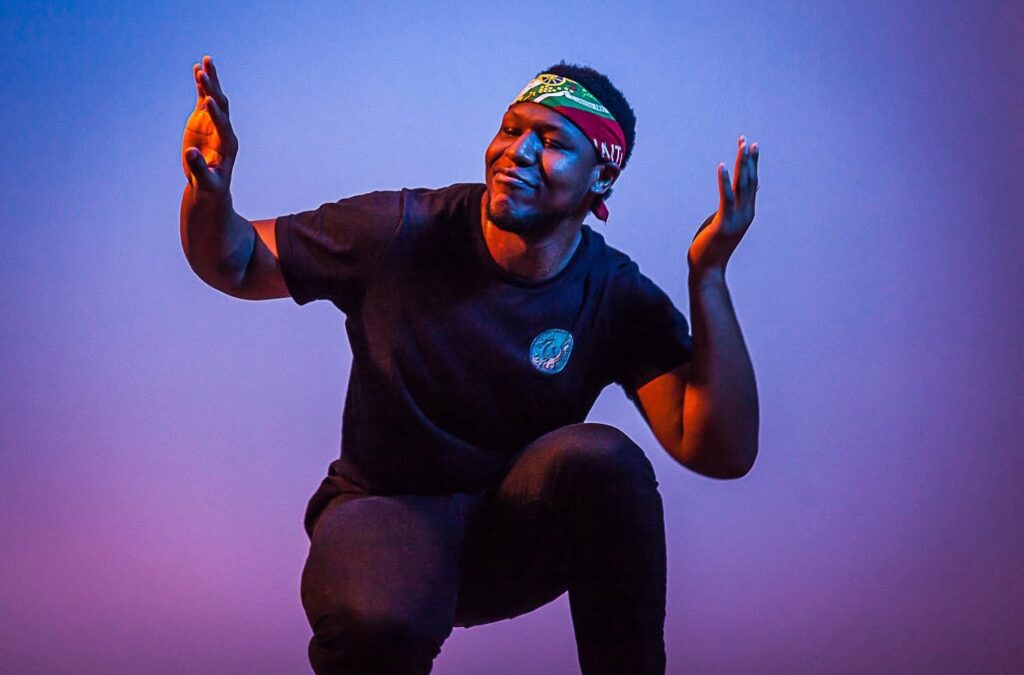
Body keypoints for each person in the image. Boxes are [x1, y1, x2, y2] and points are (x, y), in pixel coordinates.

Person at [180, 55, 760, 675]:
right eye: (511, 129)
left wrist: (709, 276)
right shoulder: (402, 230)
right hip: (386, 514)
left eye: (552, 141)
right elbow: (238, 262)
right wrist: (208, 195)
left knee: (606, 461)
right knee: (378, 624)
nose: (518, 152)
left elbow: (716, 450)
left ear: (601, 178)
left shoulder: (613, 294)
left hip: (508, 535)